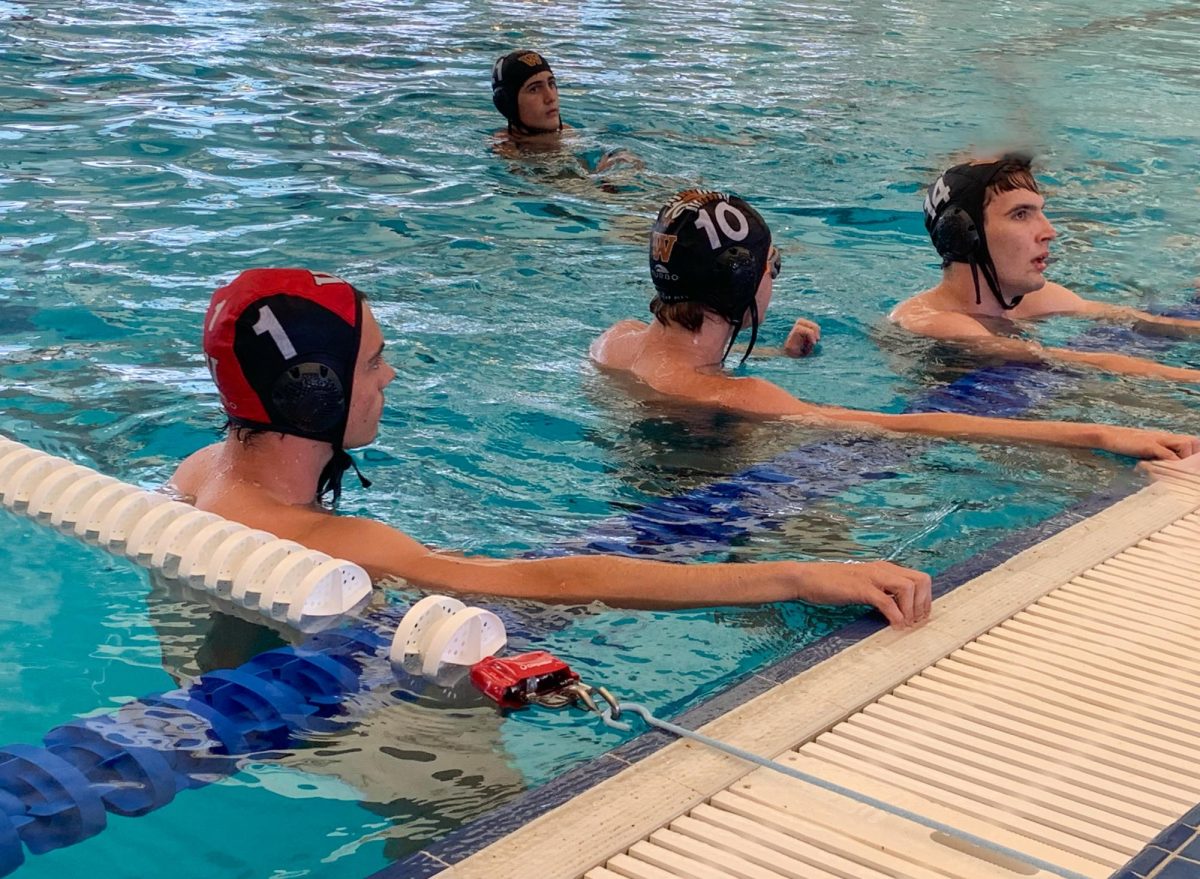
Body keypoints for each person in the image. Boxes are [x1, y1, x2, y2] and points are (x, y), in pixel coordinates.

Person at [167, 268, 932, 627]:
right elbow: (545, 580)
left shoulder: (205, 471)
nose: (391, 374)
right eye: (372, 362)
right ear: (313, 393)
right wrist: (796, 575)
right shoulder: (332, 539)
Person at [589, 188, 1200, 459]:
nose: (776, 279)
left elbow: (672, 373)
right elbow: (911, 425)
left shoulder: (615, 343)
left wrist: (776, 357)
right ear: (743, 282)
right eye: (773, 265)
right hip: (712, 497)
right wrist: (1096, 434)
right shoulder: (742, 395)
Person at [890, 153, 1200, 381]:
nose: (1050, 231)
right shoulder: (933, 321)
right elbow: (1068, 361)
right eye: (1021, 215)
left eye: (1040, 212)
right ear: (963, 234)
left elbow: (1136, 321)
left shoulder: (1034, 299)